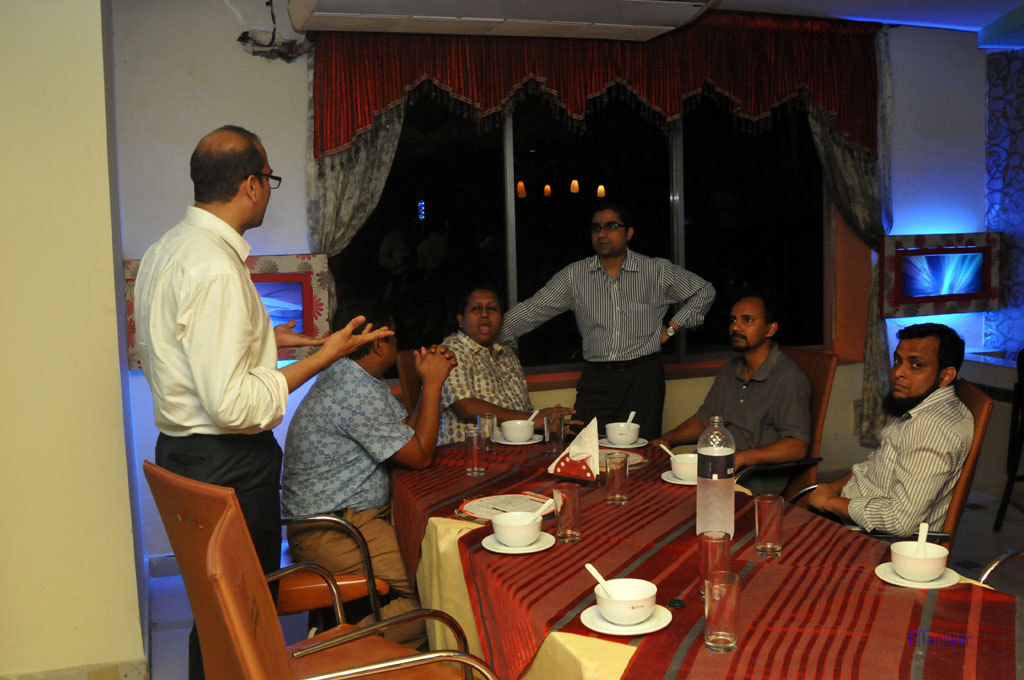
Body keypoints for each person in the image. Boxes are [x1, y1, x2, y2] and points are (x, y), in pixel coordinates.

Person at [133, 125, 391, 680]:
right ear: (251, 185)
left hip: (185, 453)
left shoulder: (168, 249)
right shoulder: (215, 268)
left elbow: (190, 348)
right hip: (228, 463)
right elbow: (233, 405)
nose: (269, 190)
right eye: (269, 179)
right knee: (243, 617)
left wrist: (285, 341)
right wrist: (328, 356)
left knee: (217, 617)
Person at [282, 299, 456, 647]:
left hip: (348, 519)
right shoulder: (354, 389)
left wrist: (426, 384)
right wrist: (434, 383)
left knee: (439, 571)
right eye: (394, 337)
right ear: (379, 342)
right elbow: (420, 456)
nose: (397, 343)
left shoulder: (358, 378)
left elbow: (404, 436)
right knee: (443, 590)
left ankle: (353, 642)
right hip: (333, 529)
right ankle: (336, 651)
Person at [497, 201, 714, 440]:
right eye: (596, 227)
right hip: (597, 378)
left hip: (643, 378)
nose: (602, 234)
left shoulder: (655, 271)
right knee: (583, 447)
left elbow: (704, 291)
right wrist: (482, 334)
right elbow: (531, 310)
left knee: (640, 449)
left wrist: (672, 328)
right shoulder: (575, 276)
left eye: (611, 226)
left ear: (629, 232)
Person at [808, 323, 973, 536]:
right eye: (898, 361)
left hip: (869, 539)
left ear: (946, 376)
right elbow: (877, 463)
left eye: (916, 365)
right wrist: (832, 488)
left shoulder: (931, 429)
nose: (898, 373)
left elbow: (900, 521)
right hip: (850, 513)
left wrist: (830, 502)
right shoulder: (918, 405)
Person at [651, 291, 811, 494]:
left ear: (770, 329)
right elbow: (705, 421)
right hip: (711, 470)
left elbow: (797, 445)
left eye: (747, 320)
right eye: (733, 320)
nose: (736, 327)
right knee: (650, 486)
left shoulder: (788, 378)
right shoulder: (731, 368)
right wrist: (668, 440)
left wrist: (741, 458)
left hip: (749, 481)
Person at [437, 285, 576, 445]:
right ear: (461, 320)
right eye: (476, 308)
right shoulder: (450, 351)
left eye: (492, 308)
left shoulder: (508, 354)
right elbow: (467, 408)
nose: (484, 314)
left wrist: (548, 425)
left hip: (513, 446)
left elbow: (523, 411)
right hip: (467, 449)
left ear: (501, 319)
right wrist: (533, 419)